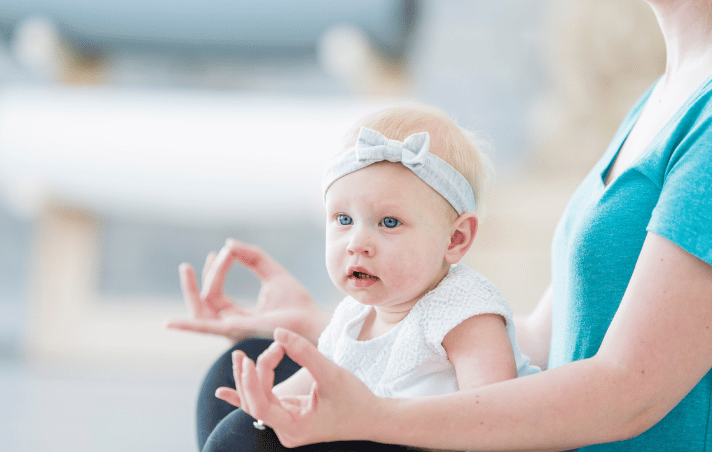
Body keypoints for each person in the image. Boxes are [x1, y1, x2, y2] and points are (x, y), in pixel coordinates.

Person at [169, 0, 712, 449]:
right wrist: (355, 329)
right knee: (245, 374)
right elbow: (538, 342)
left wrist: (378, 414)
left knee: (249, 439)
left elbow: (626, 391)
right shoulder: (674, 94)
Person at [168, 105, 538, 451]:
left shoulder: (465, 313)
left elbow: (494, 419)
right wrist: (265, 402)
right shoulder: (353, 317)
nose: (357, 243)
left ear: (455, 239)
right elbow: (309, 384)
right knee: (235, 397)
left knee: (241, 436)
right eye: (343, 220)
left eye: (388, 223)